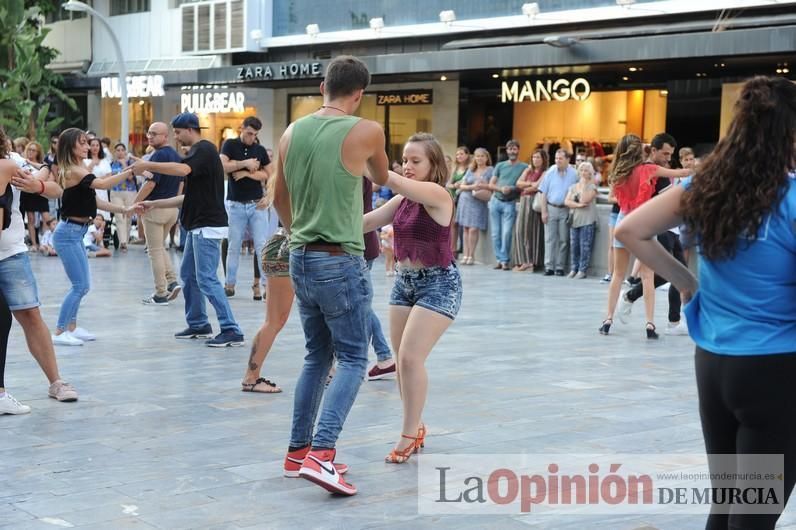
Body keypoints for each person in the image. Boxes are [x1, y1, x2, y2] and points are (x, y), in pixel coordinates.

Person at [616, 76, 796, 530]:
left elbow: (629, 230)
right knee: (753, 518)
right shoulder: (791, 198)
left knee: (728, 505)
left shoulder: (705, 186)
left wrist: (687, 283)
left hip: (713, 363)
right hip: (774, 367)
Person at [272, 55, 389, 496]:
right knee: (355, 358)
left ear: (322, 86)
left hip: (300, 253)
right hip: (339, 257)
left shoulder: (290, 131)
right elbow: (380, 175)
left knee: (316, 356)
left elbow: (279, 195)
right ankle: (322, 455)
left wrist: (295, 228)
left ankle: (297, 452)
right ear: (358, 94)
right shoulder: (366, 130)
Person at [363, 133, 461, 464]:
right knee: (403, 364)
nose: (407, 166)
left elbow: (387, 179)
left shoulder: (437, 194)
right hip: (404, 284)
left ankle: (407, 434)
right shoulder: (403, 200)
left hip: (439, 284)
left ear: (434, 166)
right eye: (404, 159)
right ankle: (415, 426)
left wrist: (367, 162)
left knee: (408, 359)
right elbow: (368, 221)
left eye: (415, 161)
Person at [132, 114, 244, 347]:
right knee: (189, 276)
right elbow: (187, 197)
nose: (176, 136)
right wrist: (155, 203)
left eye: (178, 131)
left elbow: (181, 171)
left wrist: (148, 164)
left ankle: (231, 329)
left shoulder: (204, 149)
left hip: (207, 227)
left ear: (191, 129)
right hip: (196, 226)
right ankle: (198, 323)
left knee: (206, 279)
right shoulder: (197, 154)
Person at [1, 128, 79, 402]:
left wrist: (39, 186)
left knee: (30, 315)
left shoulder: (12, 160)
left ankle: (56, 382)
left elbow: (58, 188)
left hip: (9, 252)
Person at [599, 134, 690, 339]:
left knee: (618, 275)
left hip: (623, 221)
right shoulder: (648, 170)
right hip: (642, 223)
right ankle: (650, 324)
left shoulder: (617, 172)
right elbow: (681, 171)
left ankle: (608, 320)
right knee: (647, 276)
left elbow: (614, 198)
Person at [51, 129, 134, 346]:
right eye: (82, 143)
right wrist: (130, 170)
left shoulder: (78, 170)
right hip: (68, 233)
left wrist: (124, 210)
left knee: (83, 285)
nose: (87, 147)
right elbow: (104, 185)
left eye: (87, 143)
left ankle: (71, 327)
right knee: (79, 285)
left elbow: (96, 202)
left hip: (75, 232)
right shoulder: (72, 171)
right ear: (71, 146)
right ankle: (60, 332)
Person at [219, 116, 276, 299]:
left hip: (256, 205)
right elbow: (222, 165)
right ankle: (229, 284)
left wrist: (245, 173)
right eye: (249, 133)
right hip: (236, 205)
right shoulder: (230, 145)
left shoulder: (259, 150)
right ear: (241, 128)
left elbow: (269, 174)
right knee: (234, 245)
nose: (252, 138)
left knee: (261, 246)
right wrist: (245, 164)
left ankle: (267, 286)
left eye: (255, 134)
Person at [134, 122, 183, 305]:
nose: (150, 136)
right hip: (171, 208)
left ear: (165, 137)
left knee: (154, 251)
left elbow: (150, 184)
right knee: (160, 247)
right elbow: (181, 183)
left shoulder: (158, 155)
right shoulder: (176, 156)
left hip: (155, 208)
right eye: (149, 133)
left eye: (154, 134)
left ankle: (160, 293)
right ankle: (172, 282)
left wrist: (134, 204)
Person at [362, 176, 395, 381]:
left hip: (357, 246)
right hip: (357, 245)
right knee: (360, 303)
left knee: (360, 304)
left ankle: (384, 356)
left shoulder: (353, 170)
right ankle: (384, 356)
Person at [487, 139, 528, 270]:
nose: (512, 151)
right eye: (510, 149)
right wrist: (501, 189)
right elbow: (491, 184)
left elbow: (523, 186)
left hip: (510, 203)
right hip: (496, 201)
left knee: (506, 233)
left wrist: (512, 188)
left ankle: (504, 260)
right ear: (507, 150)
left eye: (514, 149)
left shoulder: (524, 167)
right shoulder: (500, 165)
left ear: (518, 150)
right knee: (495, 233)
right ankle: (500, 260)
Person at [538, 149, 578, 276]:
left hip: (565, 209)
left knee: (563, 239)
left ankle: (560, 267)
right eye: (556, 158)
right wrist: (544, 211)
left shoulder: (574, 174)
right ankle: (549, 266)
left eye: (560, 158)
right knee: (549, 239)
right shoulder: (550, 172)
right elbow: (543, 192)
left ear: (567, 159)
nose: (557, 161)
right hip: (551, 208)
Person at [512, 149, 548, 271]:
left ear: (543, 159)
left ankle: (531, 261)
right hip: (523, 201)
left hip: (534, 202)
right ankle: (522, 260)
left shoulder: (545, 172)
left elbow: (538, 186)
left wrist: (527, 185)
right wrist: (529, 185)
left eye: (538, 157)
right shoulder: (528, 170)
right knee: (519, 230)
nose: (535, 160)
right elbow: (518, 183)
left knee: (530, 231)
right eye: (533, 157)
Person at [455, 147, 493, 265]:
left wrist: (480, 186)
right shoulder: (471, 169)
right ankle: (465, 254)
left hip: (479, 201)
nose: (479, 158)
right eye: (477, 156)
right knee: (465, 228)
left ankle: (471, 255)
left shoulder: (490, 169)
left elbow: (491, 185)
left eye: (482, 156)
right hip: (465, 200)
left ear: (487, 157)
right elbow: (462, 185)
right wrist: (473, 186)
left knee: (473, 229)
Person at [564, 162, 598, 278]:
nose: (583, 173)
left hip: (587, 220)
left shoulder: (592, 187)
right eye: (581, 170)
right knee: (574, 246)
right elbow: (567, 201)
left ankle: (582, 270)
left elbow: (584, 199)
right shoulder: (573, 186)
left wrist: (583, 185)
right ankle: (574, 268)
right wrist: (577, 205)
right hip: (575, 220)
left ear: (590, 173)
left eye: (586, 170)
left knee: (585, 246)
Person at [20, 141, 50, 251]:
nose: (31, 152)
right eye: (29, 150)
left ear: (38, 152)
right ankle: (34, 243)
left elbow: (47, 175)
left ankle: (45, 241)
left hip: (40, 191)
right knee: (31, 218)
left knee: (46, 217)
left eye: (34, 150)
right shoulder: (22, 163)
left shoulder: (42, 164)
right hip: (28, 193)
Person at [109, 143, 138, 251]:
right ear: (115, 152)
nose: (120, 152)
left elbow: (130, 177)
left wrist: (125, 164)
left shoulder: (131, 163)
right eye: (118, 150)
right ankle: (123, 242)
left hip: (130, 192)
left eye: (122, 150)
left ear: (125, 151)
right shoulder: (111, 163)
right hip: (116, 192)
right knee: (119, 217)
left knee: (128, 216)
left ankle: (125, 239)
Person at [445, 146, 470, 255]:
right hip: (453, 197)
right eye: (457, 154)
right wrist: (455, 185)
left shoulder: (470, 168)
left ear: (467, 155)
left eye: (461, 154)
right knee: (453, 224)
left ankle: (463, 249)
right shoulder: (455, 168)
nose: (459, 156)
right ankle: (452, 248)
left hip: (464, 198)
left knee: (462, 225)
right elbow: (448, 184)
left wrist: (461, 185)